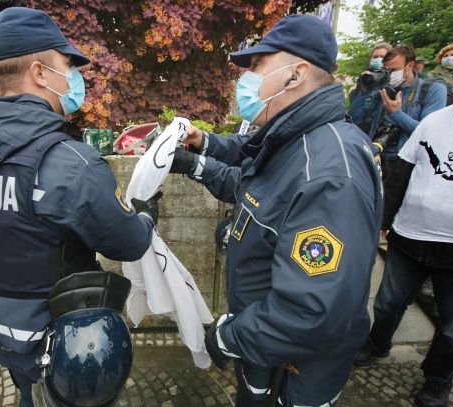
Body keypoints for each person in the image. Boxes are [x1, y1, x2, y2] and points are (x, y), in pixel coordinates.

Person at [0, 7, 159, 407]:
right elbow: (129, 244)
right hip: (66, 339)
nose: (73, 78)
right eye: (67, 65)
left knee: (26, 393)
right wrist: (146, 214)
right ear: (38, 72)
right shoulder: (71, 162)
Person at [170, 14, 382, 407]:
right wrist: (196, 160)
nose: (245, 78)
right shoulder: (291, 137)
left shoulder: (329, 173)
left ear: (295, 74)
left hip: (297, 367)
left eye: (258, 65)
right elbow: (257, 189)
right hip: (264, 346)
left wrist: (227, 337)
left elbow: (310, 311)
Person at [355, 81, 453, 407]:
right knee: (388, 303)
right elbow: (401, 172)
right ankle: (377, 343)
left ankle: (437, 379)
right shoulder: (434, 122)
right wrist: (384, 221)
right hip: (410, 237)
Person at [349, 45, 446, 176]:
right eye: (386, 70)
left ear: (410, 65)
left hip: (406, 167)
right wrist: (364, 90)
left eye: (394, 70)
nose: (390, 75)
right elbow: (354, 119)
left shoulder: (433, 90)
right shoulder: (383, 89)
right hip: (376, 160)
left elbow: (429, 134)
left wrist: (396, 114)